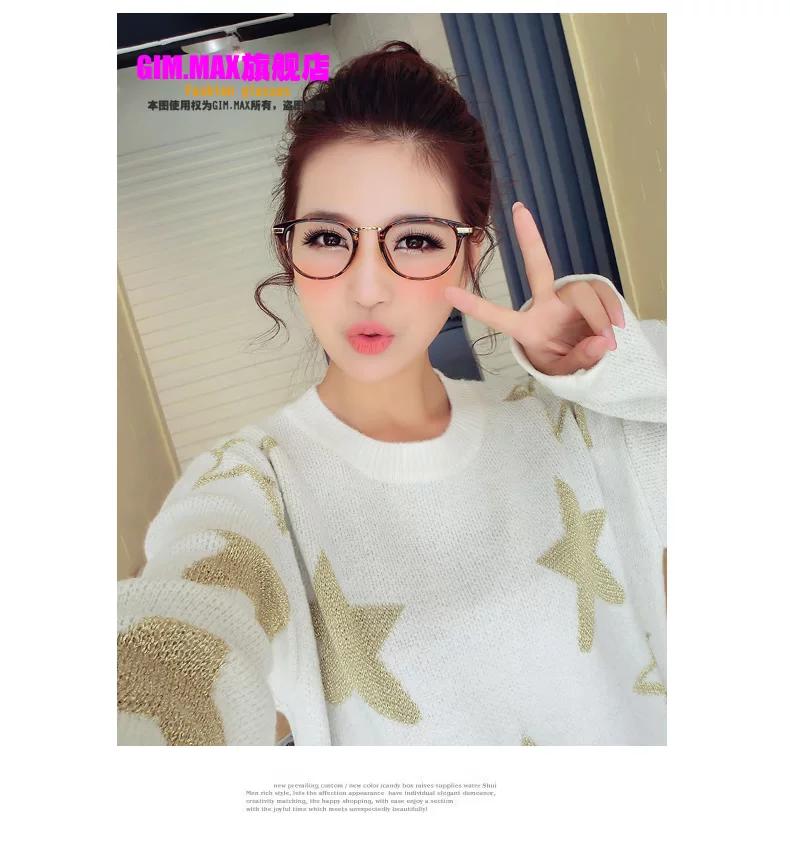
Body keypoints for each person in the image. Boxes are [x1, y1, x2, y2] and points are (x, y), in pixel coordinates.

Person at [117, 41, 666, 746]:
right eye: (327, 237)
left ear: (470, 254)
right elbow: (178, 646)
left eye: (415, 240)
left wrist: (612, 366)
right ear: (289, 252)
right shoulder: (253, 487)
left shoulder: (571, 425)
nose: (368, 288)